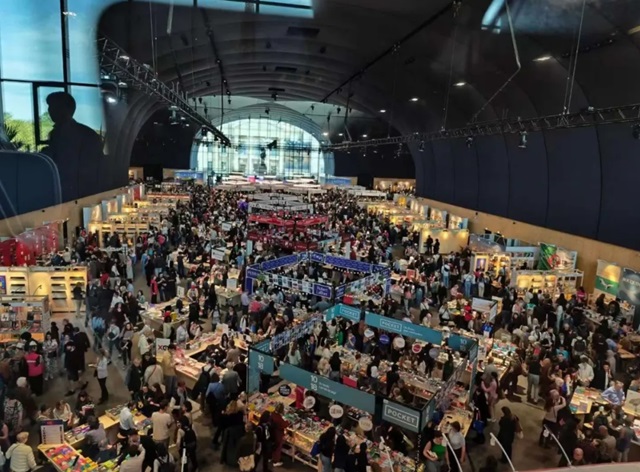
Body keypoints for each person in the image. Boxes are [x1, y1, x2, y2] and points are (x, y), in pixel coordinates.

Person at [270, 403, 289, 467]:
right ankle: (276, 461)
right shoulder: (278, 418)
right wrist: (288, 421)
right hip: (278, 434)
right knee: (278, 448)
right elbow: (284, 424)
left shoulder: (272, 414)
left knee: (273, 446)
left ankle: (271, 457)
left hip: (272, 432)